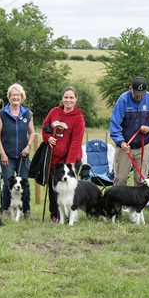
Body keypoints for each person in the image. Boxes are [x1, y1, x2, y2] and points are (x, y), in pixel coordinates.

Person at [42, 86, 86, 223]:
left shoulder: (78, 118)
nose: (68, 100)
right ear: (62, 98)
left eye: (71, 97)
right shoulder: (54, 112)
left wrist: (70, 163)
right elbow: (45, 126)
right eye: (66, 97)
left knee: (68, 189)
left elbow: (76, 141)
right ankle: (55, 215)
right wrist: (48, 137)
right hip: (54, 160)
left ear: (76, 99)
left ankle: (69, 215)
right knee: (54, 187)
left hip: (69, 160)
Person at [109, 76, 149, 186]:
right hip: (125, 147)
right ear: (130, 89)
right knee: (121, 178)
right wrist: (120, 142)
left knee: (141, 179)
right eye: (136, 93)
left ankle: (139, 203)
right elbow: (115, 124)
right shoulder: (123, 100)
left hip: (143, 146)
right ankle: (118, 203)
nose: (139, 97)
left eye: (142, 94)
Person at [0, 84, 36, 219]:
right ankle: (5, 210)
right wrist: (2, 153)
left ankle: (27, 210)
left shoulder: (27, 113)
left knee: (25, 183)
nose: (15, 97)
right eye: (13, 94)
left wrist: (28, 146)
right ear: (9, 96)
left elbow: (32, 133)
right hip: (7, 155)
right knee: (7, 184)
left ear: (22, 97)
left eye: (18, 95)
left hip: (23, 156)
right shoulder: (1, 113)